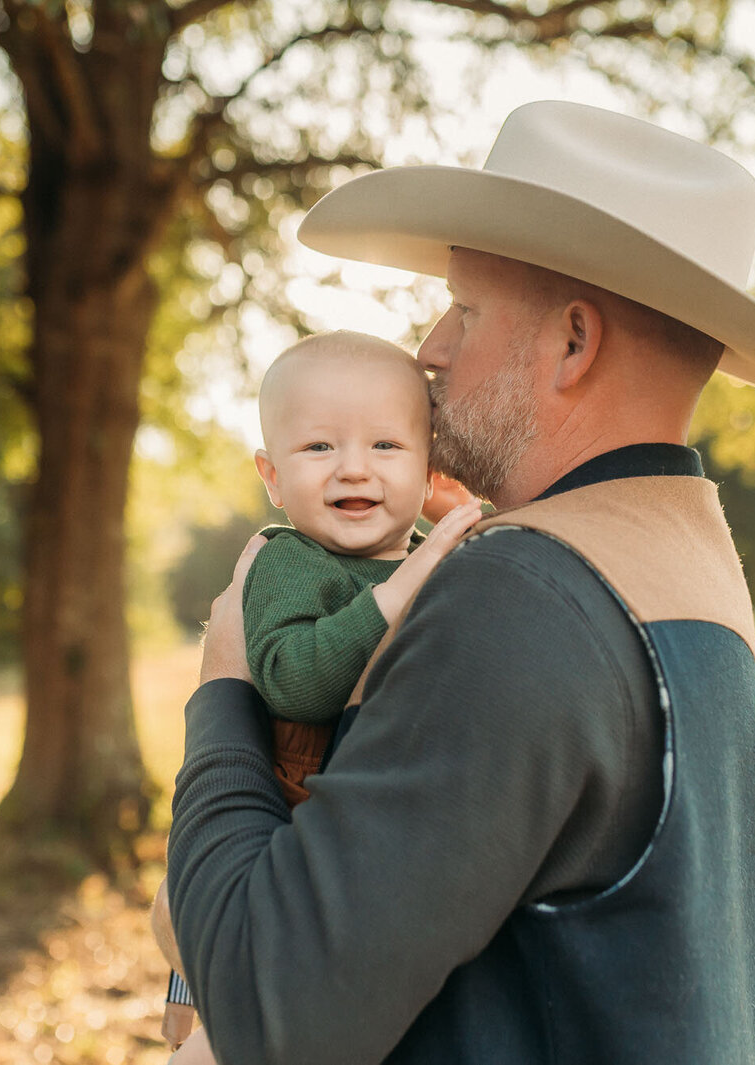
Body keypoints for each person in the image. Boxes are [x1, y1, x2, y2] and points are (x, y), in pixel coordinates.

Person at [163, 101, 755, 1065]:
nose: (429, 350)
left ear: (573, 342)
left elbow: (270, 1009)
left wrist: (224, 686)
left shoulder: (519, 592)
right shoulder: (688, 559)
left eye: (464, 310)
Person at [158, 331, 482, 1059]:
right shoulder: (290, 560)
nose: (354, 467)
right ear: (273, 476)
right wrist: (402, 590)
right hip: (286, 804)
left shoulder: (428, 554)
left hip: (377, 819)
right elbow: (294, 682)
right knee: (241, 1021)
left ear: (430, 467)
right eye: (319, 447)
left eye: (386, 446)